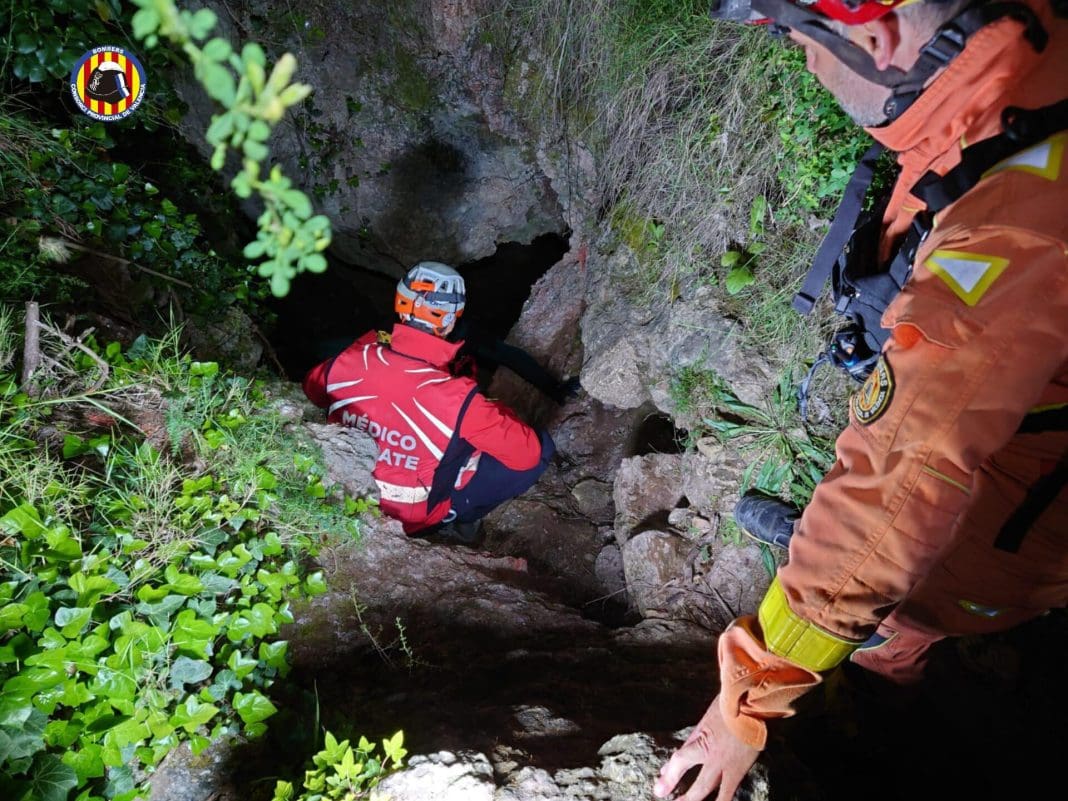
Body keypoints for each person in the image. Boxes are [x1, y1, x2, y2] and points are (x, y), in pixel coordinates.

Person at [655, 1, 1068, 799]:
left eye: (798, 36)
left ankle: (887, 681)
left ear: (875, 36)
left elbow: (904, 476)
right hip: (1018, 427)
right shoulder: (1020, 76)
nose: (807, 62)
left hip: (1026, 520)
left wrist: (746, 706)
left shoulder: (1022, 222)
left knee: (904, 608)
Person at [303, 261, 557, 543]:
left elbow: (313, 390)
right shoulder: (459, 399)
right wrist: (490, 411)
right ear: (450, 321)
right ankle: (459, 519)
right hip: (413, 519)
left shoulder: (350, 359)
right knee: (539, 448)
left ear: (400, 303)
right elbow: (528, 454)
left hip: (344, 494)